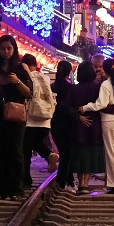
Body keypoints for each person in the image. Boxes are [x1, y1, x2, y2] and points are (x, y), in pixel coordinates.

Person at [0, 35, 32, 199]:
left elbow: (29, 93)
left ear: (14, 49)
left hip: (16, 115)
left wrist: (17, 81)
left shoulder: (20, 68)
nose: (6, 51)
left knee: (16, 151)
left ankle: (16, 189)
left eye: (9, 48)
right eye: (3, 48)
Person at [81, 57, 114, 194]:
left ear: (105, 70)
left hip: (109, 121)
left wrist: (85, 108)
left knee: (111, 153)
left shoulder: (105, 85)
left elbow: (101, 104)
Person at [66, 61, 106, 193]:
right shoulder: (97, 88)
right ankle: (86, 184)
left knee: (79, 155)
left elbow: (68, 107)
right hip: (94, 125)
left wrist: (79, 117)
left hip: (78, 127)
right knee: (90, 155)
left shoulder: (73, 88)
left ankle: (80, 183)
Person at [21, 54, 58, 187]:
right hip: (45, 120)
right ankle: (49, 155)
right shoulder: (45, 78)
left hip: (30, 119)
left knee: (25, 151)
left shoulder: (26, 78)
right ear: (36, 65)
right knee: (37, 143)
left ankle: (26, 180)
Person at [51, 60, 74, 190]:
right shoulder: (70, 88)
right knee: (67, 153)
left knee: (63, 152)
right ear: (69, 72)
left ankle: (66, 180)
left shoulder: (52, 86)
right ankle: (63, 181)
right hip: (68, 122)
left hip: (55, 122)